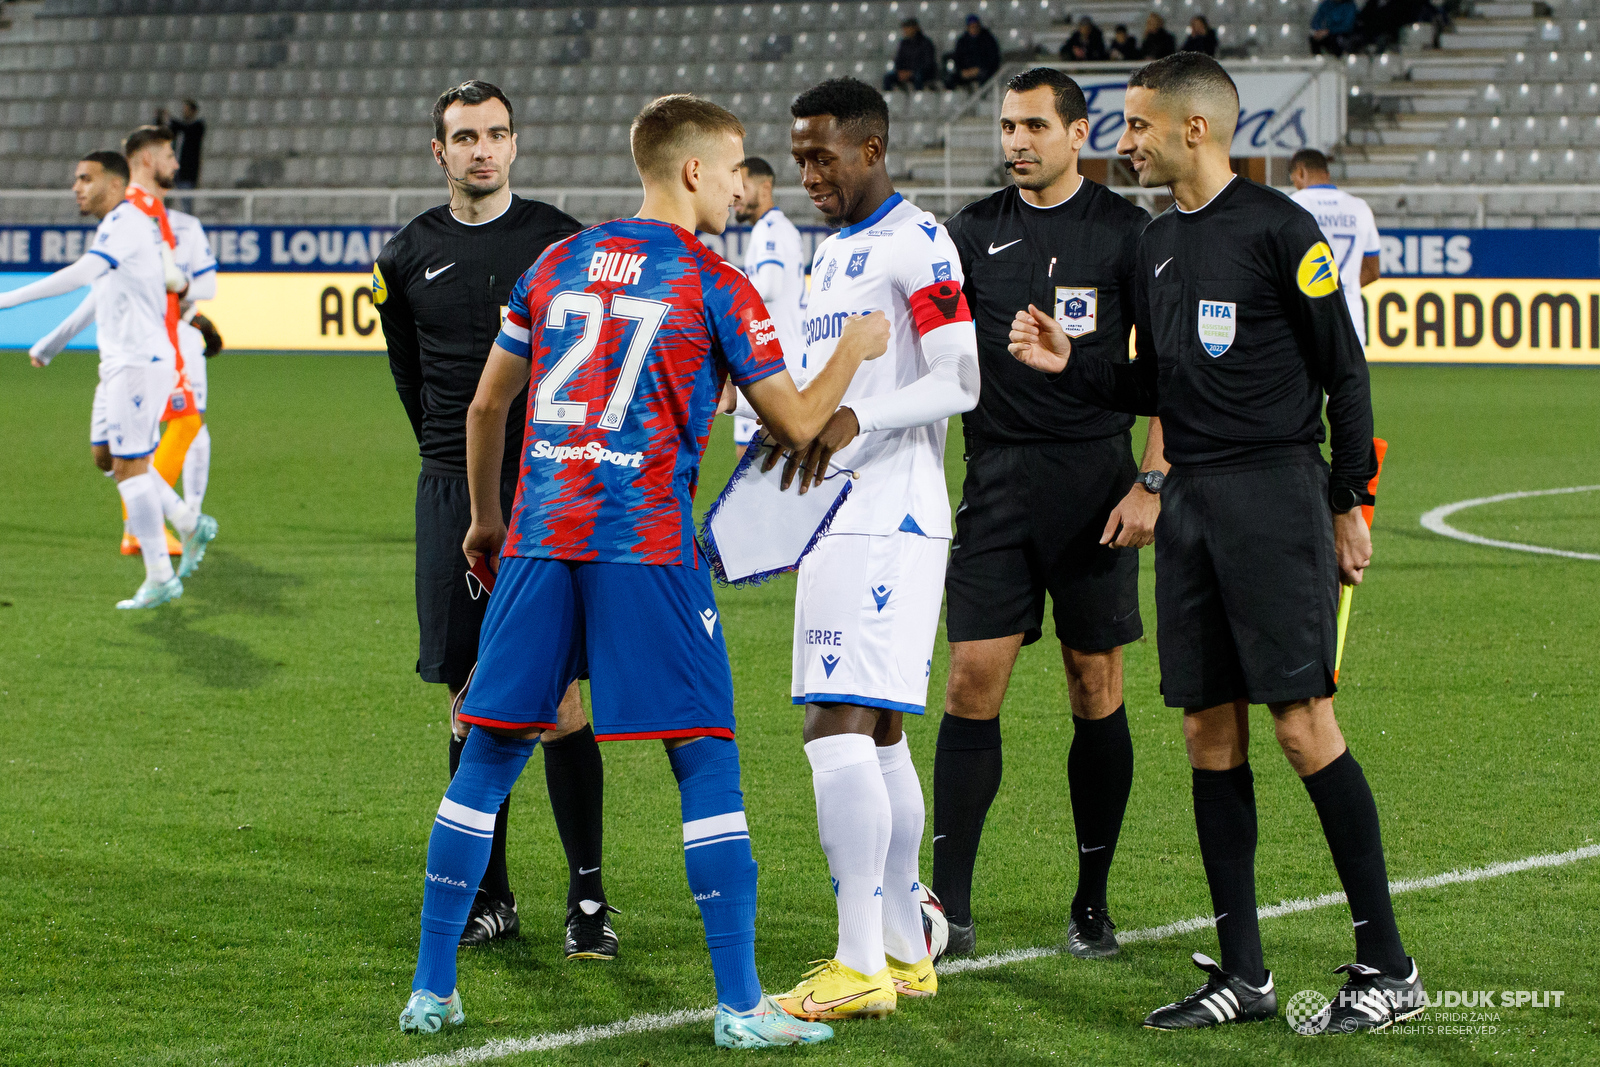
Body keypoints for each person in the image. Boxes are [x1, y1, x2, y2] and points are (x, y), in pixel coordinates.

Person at [397, 91, 890, 1047]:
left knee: (490, 755)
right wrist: (857, 353)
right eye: (741, 166)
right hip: (645, 545)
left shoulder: (557, 261)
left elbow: (486, 408)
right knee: (703, 755)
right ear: (696, 171)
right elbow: (793, 424)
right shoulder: (714, 280)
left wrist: (490, 523)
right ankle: (742, 1007)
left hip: (542, 539)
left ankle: (432, 989)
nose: (749, 185)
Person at [1009, 52, 1426, 1034]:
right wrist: (1075, 364)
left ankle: (1388, 963)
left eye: (1138, 126)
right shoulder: (1154, 245)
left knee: (1301, 727)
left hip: (1274, 498)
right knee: (1208, 734)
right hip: (1190, 504)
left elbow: (1345, 373)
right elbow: (1153, 385)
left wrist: (1347, 501)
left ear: (1194, 128)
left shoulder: (1282, 229)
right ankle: (1244, 971)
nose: (1125, 141)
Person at [373, 81, 618, 959]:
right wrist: (454, 465)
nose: (483, 150)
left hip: (549, 486)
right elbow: (411, 377)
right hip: (452, 489)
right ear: (438, 152)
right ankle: (491, 894)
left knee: (558, 700)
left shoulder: (563, 242)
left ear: (515, 145)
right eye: (465, 137)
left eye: (497, 135)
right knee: (471, 700)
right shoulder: (405, 256)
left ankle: (587, 899)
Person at [934, 67, 1168, 963]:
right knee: (968, 685)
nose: (1016, 141)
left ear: (1078, 134)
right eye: (1006, 126)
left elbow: (1168, 370)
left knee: (1093, 687)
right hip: (995, 484)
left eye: (1034, 125)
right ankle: (947, 908)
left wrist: (1150, 481)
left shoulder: (1127, 233)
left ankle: (1093, 901)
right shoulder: (972, 232)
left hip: (1094, 487)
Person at [770, 77, 980, 1022]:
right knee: (882, 731)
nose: (809, 173)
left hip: (886, 517)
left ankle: (857, 964)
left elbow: (962, 378)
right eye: (800, 155)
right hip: (838, 513)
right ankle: (902, 947)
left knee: (834, 730)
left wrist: (858, 417)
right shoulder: (834, 253)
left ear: (872, 149)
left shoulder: (913, 240)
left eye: (823, 155)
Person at [0, 152, 210, 608]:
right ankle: (188, 521)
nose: (76, 187)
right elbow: (98, 294)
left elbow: (80, 275)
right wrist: (51, 344)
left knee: (131, 466)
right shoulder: (120, 227)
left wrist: (6, 299)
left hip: (137, 362)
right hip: (118, 362)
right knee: (106, 457)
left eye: (85, 179)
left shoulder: (127, 221)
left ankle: (160, 575)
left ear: (114, 184)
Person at [117, 125, 216, 569]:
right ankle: (168, 522)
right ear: (147, 161)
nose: (177, 165)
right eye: (169, 157)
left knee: (174, 429)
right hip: (149, 341)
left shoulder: (167, 218)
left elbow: (194, 283)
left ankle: (167, 521)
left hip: (170, 341)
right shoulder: (136, 214)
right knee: (163, 433)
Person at [731, 156, 806, 460]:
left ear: (765, 188)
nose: (736, 194)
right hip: (779, 359)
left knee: (755, 463)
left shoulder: (770, 230)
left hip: (770, 364)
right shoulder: (780, 227)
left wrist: (730, 291)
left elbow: (770, 287)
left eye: (743, 186)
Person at [1289, 148, 1381, 347]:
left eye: (1293, 179)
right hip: (1350, 317)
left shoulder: (1292, 206)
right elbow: (1373, 271)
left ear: (1301, 172)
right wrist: (1342, 288)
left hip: (1305, 317)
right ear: (1327, 174)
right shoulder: (1360, 208)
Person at [945, 14, 1001, 91]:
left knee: (985, 78)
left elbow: (993, 59)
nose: (974, 29)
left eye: (975, 26)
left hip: (983, 71)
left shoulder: (988, 39)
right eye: (971, 27)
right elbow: (958, 58)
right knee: (950, 79)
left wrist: (979, 69)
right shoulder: (962, 41)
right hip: (967, 72)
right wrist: (963, 71)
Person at [884, 18, 940, 92]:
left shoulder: (926, 43)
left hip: (921, 72)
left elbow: (928, 63)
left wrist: (911, 72)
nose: (905, 31)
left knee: (918, 76)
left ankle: (918, 97)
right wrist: (900, 71)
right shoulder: (904, 43)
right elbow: (899, 59)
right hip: (906, 72)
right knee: (888, 77)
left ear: (915, 28)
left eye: (908, 28)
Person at [168, 100, 205, 189]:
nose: (184, 112)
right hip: (176, 171)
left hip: (187, 172)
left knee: (186, 198)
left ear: (193, 111)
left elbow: (187, 129)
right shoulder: (180, 129)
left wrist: (171, 120)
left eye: (186, 110)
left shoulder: (197, 126)